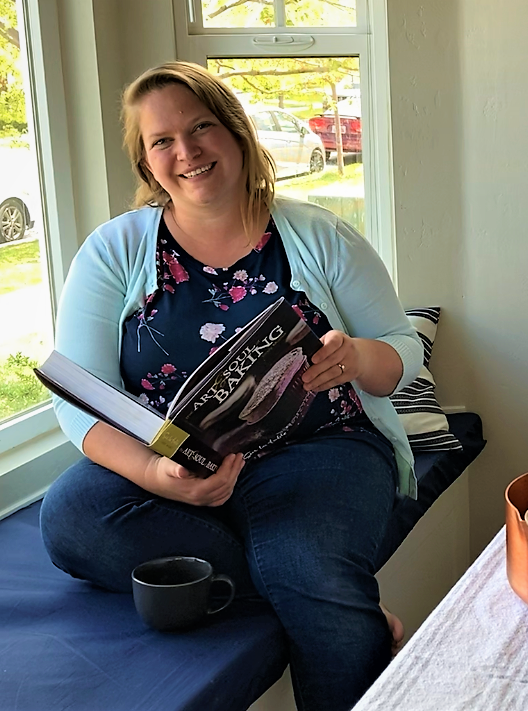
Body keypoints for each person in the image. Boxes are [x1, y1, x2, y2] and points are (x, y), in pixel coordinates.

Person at [39, 61, 421, 711]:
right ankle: (327, 595)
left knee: (304, 560)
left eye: (201, 128)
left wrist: (357, 355)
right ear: (145, 162)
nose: (185, 151)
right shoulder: (114, 251)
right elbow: (82, 402)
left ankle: (315, 583)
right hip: (179, 462)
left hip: (317, 449)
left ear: (237, 134)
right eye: (162, 141)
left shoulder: (319, 235)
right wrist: (157, 475)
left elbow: (402, 353)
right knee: (73, 516)